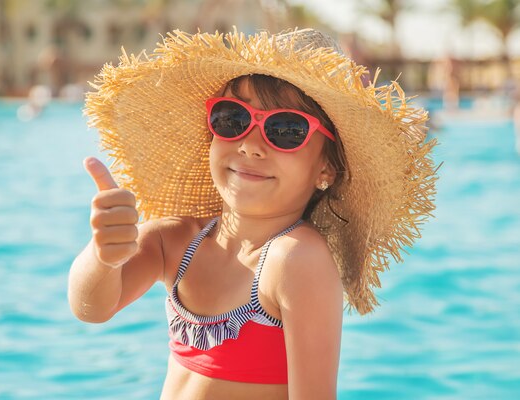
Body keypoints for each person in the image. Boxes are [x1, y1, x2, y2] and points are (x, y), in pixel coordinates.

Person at [68, 28, 438, 399]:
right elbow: (92, 308)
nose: (250, 145)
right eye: (233, 119)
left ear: (326, 167)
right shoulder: (177, 241)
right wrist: (104, 257)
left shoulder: (294, 259)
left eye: (287, 130)